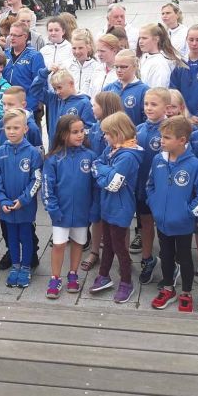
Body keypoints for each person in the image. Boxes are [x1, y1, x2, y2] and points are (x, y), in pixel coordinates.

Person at [148, 117, 198, 312]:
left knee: (185, 258)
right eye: (161, 136)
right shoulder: (158, 160)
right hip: (162, 222)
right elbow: (150, 185)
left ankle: (186, 292)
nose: (162, 141)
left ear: (182, 140)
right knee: (166, 256)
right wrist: (155, 206)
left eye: (167, 137)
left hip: (183, 224)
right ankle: (168, 289)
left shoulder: (195, 165)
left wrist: (188, 212)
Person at [90, 112, 143, 303]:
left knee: (119, 246)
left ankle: (127, 282)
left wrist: (102, 173)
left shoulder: (128, 156)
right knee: (108, 243)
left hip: (121, 207)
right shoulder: (112, 148)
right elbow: (95, 164)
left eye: (107, 133)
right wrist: (106, 172)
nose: (104, 137)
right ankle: (104, 275)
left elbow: (113, 184)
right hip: (108, 205)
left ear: (118, 133)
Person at [43, 115, 98, 299]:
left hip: (82, 213)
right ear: (62, 134)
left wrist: (94, 209)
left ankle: (73, 274)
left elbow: (95, 187)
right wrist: (52, 209)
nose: (80, 135)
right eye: (75, 132)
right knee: (59, 244)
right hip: (60, 212)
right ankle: (55, 278)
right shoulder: (53, 159)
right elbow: (47, 186)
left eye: (82, 131)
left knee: (78, 243)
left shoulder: (90, 156)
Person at [0, 109, 43, 288]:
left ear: (25, 129)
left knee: (26, 236)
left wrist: (23, 200)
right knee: (11, 237)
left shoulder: (33, 153)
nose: (12, 131)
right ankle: (15, 266)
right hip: (6, 206)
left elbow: (36, 180)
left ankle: (26, 267)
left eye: (16, 127)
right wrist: (2, 200)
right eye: (8, 128)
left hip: (25, 206)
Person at [81, 91, 123, 273]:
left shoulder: (118, 129)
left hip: (112, 182)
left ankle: (123, 256)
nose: (91, 108)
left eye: (95, 105)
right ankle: (94, 251)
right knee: (96, 217)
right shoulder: (95, 127)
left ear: (105, 108)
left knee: (119, 222)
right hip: (95, 180)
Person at [133, 88, 171, 278]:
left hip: (163, 189)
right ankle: (147, 259)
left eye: (154, 104)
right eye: (146, 104)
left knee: (165, 227)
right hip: (141, 188)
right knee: (146, 224)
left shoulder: (170, 130)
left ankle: (170, 261)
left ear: (167, 107)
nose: (148, 108)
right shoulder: (138, 129)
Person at [30, 67, 95, 146]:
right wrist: (45, 72)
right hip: (54, 149)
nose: (57, 92)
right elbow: (35, 90)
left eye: (59, 87)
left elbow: (89, 129)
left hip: (73, 150)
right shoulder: (53, 98)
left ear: (71, 84)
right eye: (55, 89)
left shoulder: (84, 103)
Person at [2, 21, 45, 113]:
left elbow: (39, 83)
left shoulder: (34, 56)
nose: (12, 38)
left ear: (25, 36)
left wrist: (31, 106)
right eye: (11, 35)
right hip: (7, 106)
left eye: (15, 35)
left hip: (27, 107)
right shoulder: (4, 54)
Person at [104, 49, 149, 126]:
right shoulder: (108, 88)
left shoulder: (144, 90)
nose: (119, 70)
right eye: (116, 67)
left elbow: (147, 121)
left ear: (135, 66)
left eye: (123, 67)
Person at [137, 23, 183, 88]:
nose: (140, 41)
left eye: (144, 38)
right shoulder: (144, 57)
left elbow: (159, 90)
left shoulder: (160, 64)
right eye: (140, 38)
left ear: (156, 39)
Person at [67, 28, 100, 96]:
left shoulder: (97, 68)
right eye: (74, 48)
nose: (77, 52)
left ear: (88, 47)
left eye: (80, 48)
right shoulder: (67, 66)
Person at [88, 34, 120, 100]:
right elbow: (91, 94)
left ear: (114, 50)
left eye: (102, 51)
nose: (99, 54)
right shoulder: (97, 69)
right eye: (98, 51)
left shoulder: (121, 71)